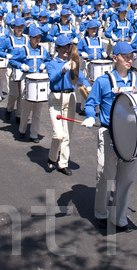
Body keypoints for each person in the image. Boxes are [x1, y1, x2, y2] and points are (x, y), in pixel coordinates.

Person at [83, 41, 137, 232]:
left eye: (131, 56)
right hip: (109, 133)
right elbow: (90, 103)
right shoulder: (103, 81)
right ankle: (101, 213)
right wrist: (91, 116)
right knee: (105, 176)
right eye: (125, 57)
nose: (129, 60)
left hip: (131, 136)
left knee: (126, 179)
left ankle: (120, 217)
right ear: (115, 58)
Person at [46, 35, 90, 176]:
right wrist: (63, 71)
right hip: (56, 98)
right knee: (58, 134)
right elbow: (53, 80)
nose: (66, 50)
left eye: (68, 47)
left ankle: (63, 163)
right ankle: (52, 158)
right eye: (63, 47)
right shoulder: (51, 64)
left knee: (66, 134)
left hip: (70, 97)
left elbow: (80, 77)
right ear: (57, 48)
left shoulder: (72, 63)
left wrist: (87, 87)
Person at [11, 26, 51, 142]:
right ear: (30, 38)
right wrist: (21, 66)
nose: (37, 39)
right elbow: (12, 60)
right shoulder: (23, 50)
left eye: (39, 37)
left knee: (37, 110)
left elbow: (48, 60)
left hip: (39, 80)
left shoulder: (43, 50)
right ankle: (22, 130)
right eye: (35, 37)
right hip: (27, 80)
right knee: (26, 108)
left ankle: (34, 134)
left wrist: (45, 65)